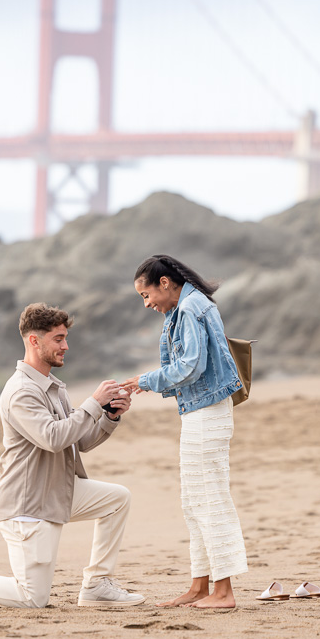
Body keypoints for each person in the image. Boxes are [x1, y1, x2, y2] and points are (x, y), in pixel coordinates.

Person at [0, 302, 145, 609]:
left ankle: (96, 586)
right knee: (32, 598)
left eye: (65, 337)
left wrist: (109, 416)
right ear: (34, 341)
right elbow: (52, 438)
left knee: (117, 499)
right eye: (58, 339)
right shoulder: (20, 391)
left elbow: (79, 441)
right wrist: (93, 403)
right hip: (27, 506)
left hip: (56, 492)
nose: (66, 345)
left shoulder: (53, 387)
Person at [121, 255, 248, 609]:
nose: (147, 304)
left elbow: (192, 365)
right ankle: (200, 586)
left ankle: (224, 593)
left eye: (146, 296)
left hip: (207, 412)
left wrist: (146, 381)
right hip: (199, 410)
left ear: (164, 283)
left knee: (210, 499)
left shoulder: (191, 308)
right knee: (193, 501)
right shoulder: (185, 307)